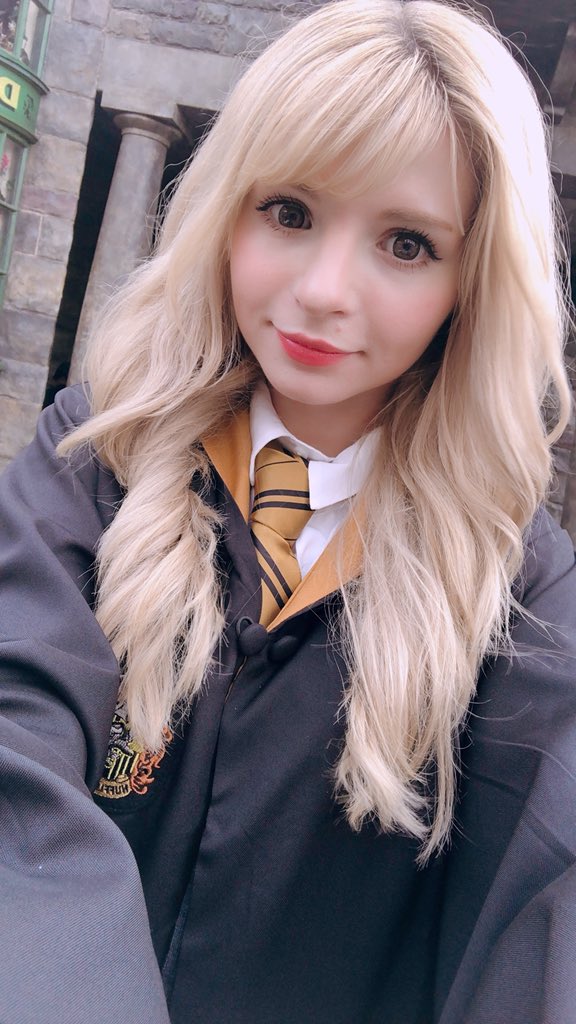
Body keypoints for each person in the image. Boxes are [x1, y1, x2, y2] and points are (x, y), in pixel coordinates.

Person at [0, 1, 575, 1021]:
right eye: (291, 212)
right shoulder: (92, 462)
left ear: (470, 281)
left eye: (407, 243)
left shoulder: (520, 584)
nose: (322, 291)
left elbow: (547, 892)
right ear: (229, 209)